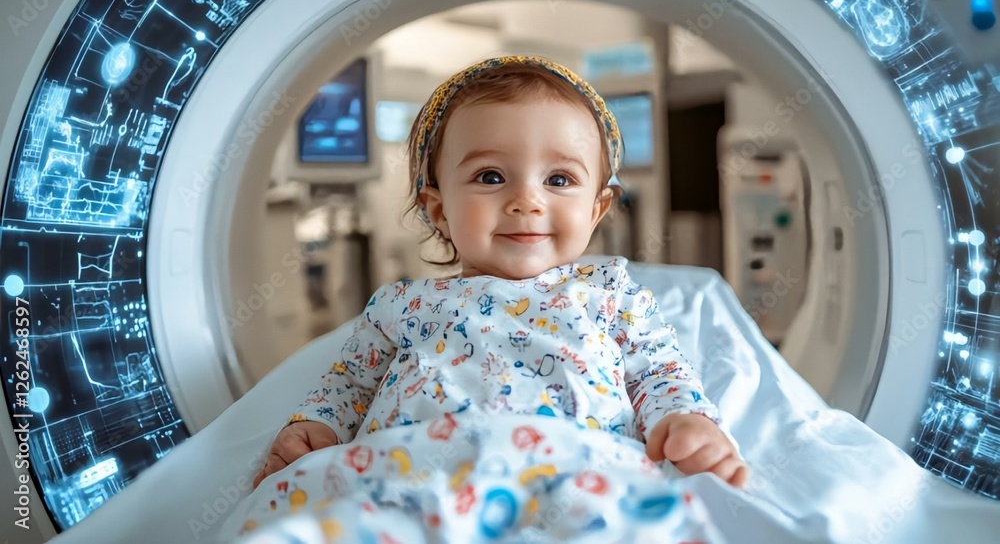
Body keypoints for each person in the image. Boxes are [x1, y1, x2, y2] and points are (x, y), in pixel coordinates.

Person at [240, 56, 747, 542]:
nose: (526, 200)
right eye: (490, 177)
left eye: (558, 180)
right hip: (413, 470)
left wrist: (685, 419)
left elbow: (659, 372)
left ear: (598, 208)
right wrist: (315, 425)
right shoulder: (400, 305)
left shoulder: (612, 294)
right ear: (438, 209)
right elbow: (348, 383)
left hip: (575, 465)